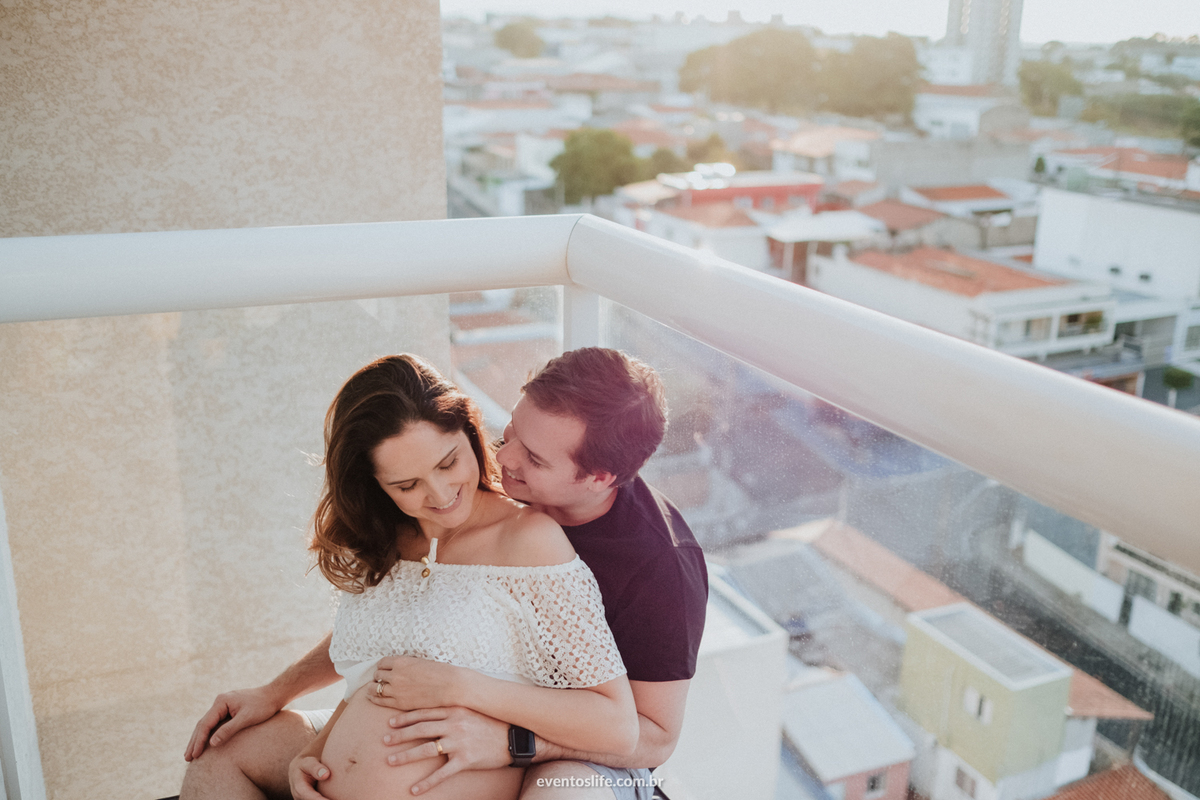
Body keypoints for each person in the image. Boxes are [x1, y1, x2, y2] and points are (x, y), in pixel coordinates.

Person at [182, 348, 708, 800]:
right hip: (436, 728)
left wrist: (511, 742)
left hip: (582, 760)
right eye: (509, 435)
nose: (505, 460)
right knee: (225, 748)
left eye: (535, 459)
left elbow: (648, 736)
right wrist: (281, 696)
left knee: (566, 790)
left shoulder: (659, 564)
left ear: (597, 478)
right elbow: (403, 625)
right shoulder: (475, 488)